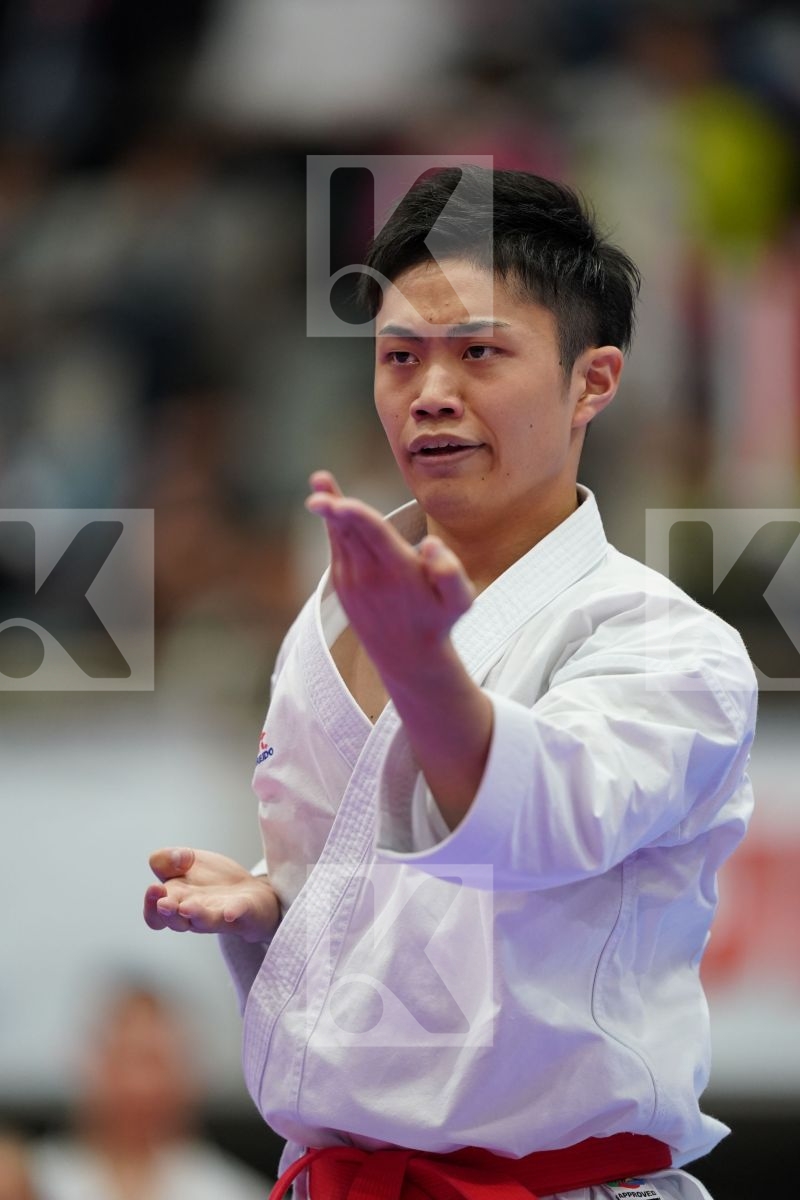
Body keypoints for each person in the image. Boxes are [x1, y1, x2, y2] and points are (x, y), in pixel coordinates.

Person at [144, 167, 757, 1200]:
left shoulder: (665, 645)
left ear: (590, 382)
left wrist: (426, 672)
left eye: (478, 352)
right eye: (398, 357)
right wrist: (277, 903)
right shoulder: (334, 612)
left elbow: (538, 824)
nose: (429, 392)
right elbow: (387, 898)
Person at [33, 983, 273, 1200]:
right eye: (123, 1060)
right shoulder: (29, 1182)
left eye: (156, 1063)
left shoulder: (231, 1192)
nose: (138, 1084)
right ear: (87, 1066)